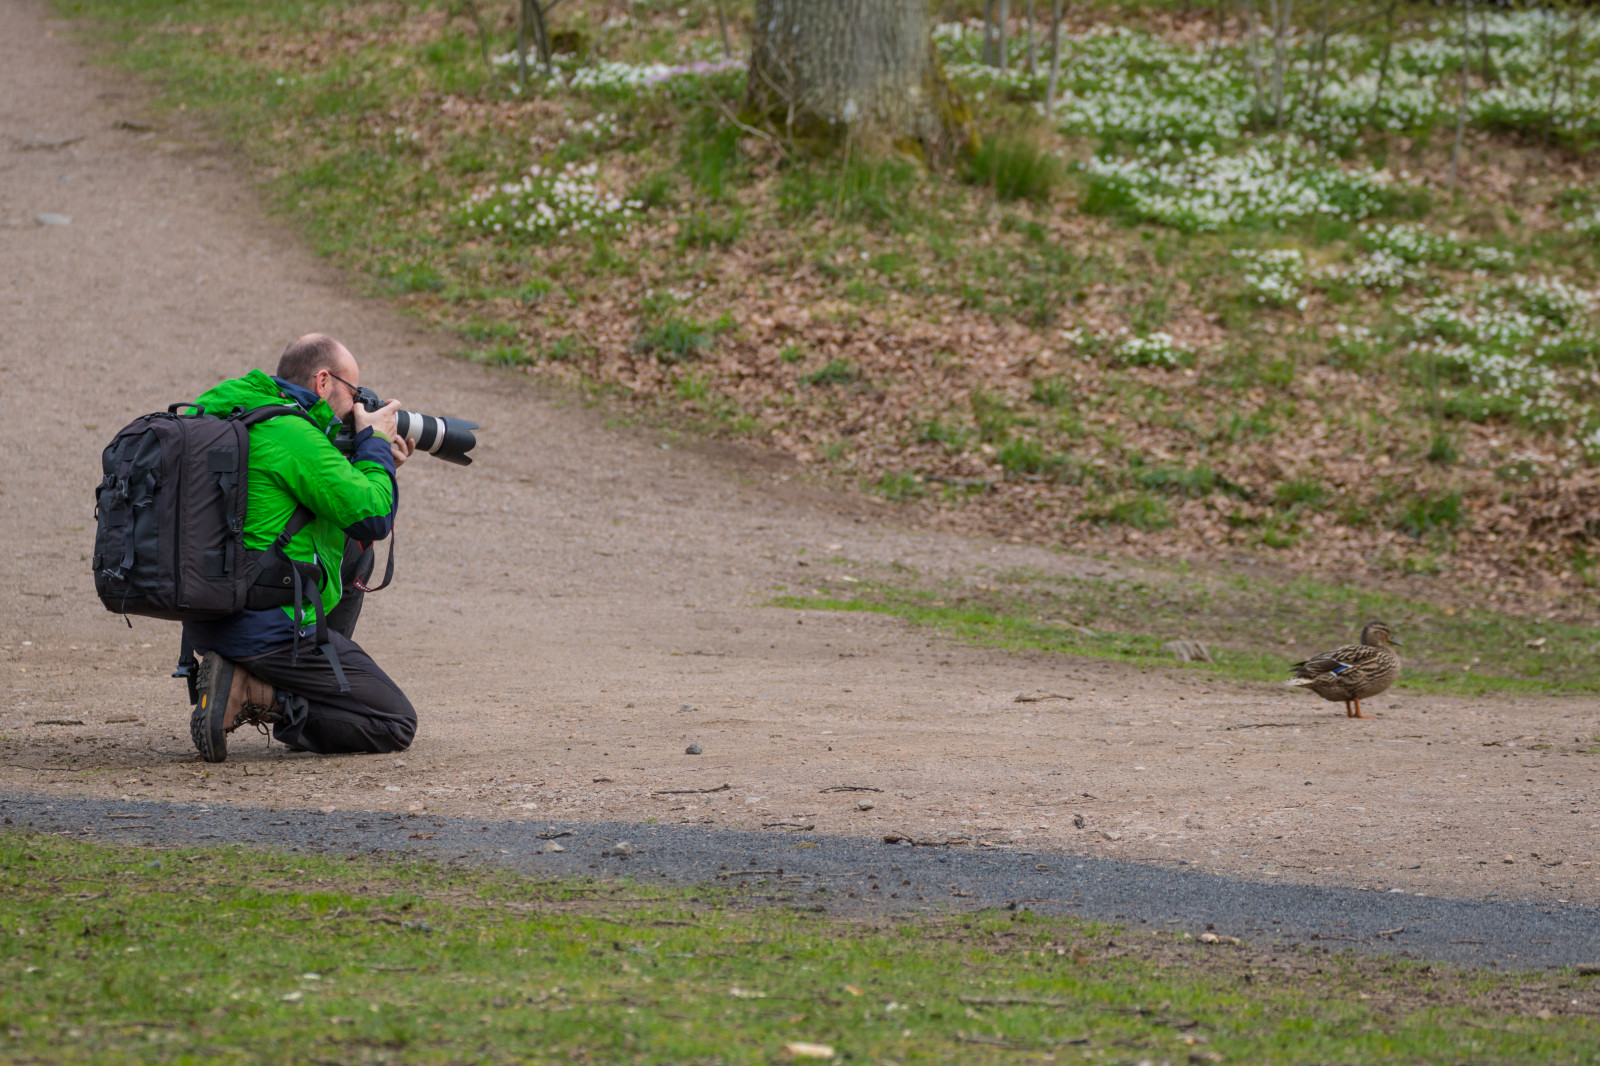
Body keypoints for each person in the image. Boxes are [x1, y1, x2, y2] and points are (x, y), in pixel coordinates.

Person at [183, 333, 417, 761]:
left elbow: (340, 516)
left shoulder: (232, 412)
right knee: (394, 722)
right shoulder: (292, 434)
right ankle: (259, 692)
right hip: (265, 626)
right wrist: (376, 448)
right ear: (323, 381)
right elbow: (375, 516)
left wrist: (369, 463)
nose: (359, 406)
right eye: (355, 393)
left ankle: (297, 682)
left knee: (357, 550)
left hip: (210, 612)